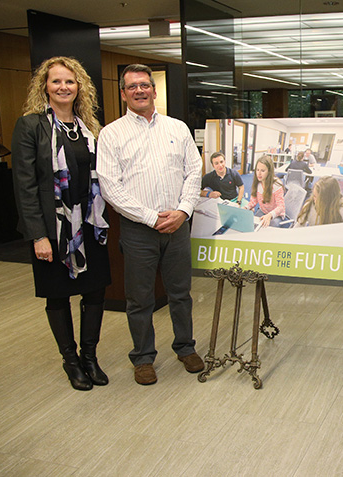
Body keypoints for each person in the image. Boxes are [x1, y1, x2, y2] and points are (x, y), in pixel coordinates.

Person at [96, 64, 204, 385]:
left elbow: (194, 172)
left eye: (145, 85)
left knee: (180, 293)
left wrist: (183, 212)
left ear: (154, 91)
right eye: (132, 87)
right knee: (139, 298)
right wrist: (150, 217)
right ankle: (143, 357)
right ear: (123, 93)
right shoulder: (112, 134)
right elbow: (110, 186)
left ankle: (185, 347)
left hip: (178, 225)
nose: (140, 91)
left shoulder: (177, 129)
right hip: (138, 230)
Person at [11, 56, 111, 391]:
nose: (63, 87)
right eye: (56, 81)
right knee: (58, 295)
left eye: (69, 81)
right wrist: (38, 235)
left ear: (78, 86)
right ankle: (71, 361)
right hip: (52, 229)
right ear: (45, 86)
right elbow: (25, 185)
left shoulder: (89, 127)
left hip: (89, 224)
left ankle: (90, 357)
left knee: (94, 292)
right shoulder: (31, 126)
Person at [245, 155, 285, 228]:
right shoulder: (257, 182)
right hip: (263, 211)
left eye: (262, 171)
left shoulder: (276, 184)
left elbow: (281, 206)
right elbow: (254, 201)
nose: (259, 174)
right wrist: (246, 207)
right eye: (257, 170)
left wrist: (270, 215)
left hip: (276, 214)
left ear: (269, 171)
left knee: (270, 227)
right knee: (253, 224)